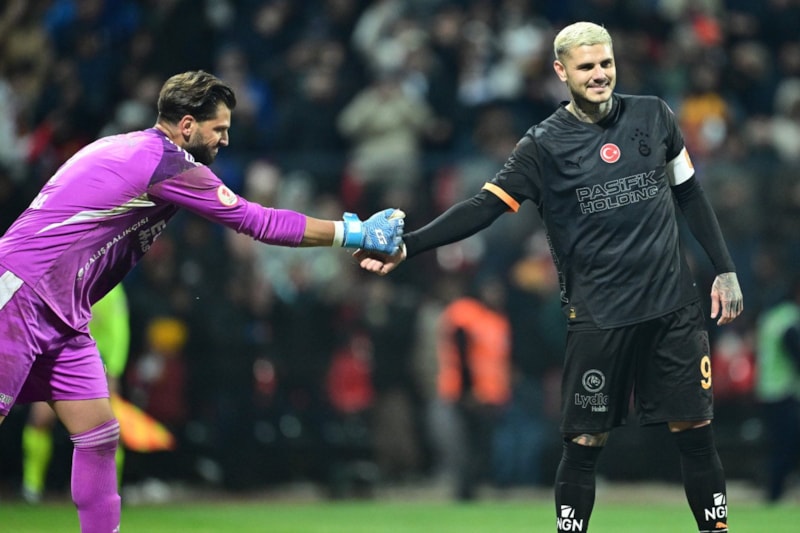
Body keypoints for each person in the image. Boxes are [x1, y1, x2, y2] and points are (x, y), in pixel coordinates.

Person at [357, 22, 743, 533]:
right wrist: (409, 245)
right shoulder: (542, 145)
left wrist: (725, 269)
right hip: (600, 317)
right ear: (561, 71)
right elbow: (483, 207)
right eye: (587, 67)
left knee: (696, 432)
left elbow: (689, 194)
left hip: (673, 308)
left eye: (606, 63)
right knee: (584, 444)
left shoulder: (654, 115)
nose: (600, 74)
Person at [0, 70, 405, 533]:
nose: (225, 140)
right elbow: (258, 222)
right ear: (188, 125)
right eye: (219, 129)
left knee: (99, 434)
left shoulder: (126, 148)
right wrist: (356, 232)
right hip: (21, 294)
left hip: (62, 313)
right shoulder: (164, 162)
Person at [21, 283, 130, 504]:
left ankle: (110, 489)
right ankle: (31, 486)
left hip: (97, 363)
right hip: (58, 359)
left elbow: (119, 331)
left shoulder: (110, 285)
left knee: (106, 427)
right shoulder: (57, 280)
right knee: (40, 419)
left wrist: (114, 371)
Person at [754, 275, 800, 503]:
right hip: (785, 392)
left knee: (778, 445)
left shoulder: (770, 318)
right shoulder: (790, 320)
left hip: (766, 390)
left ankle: (774, 491)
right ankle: (775, 493)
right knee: (786, 446)